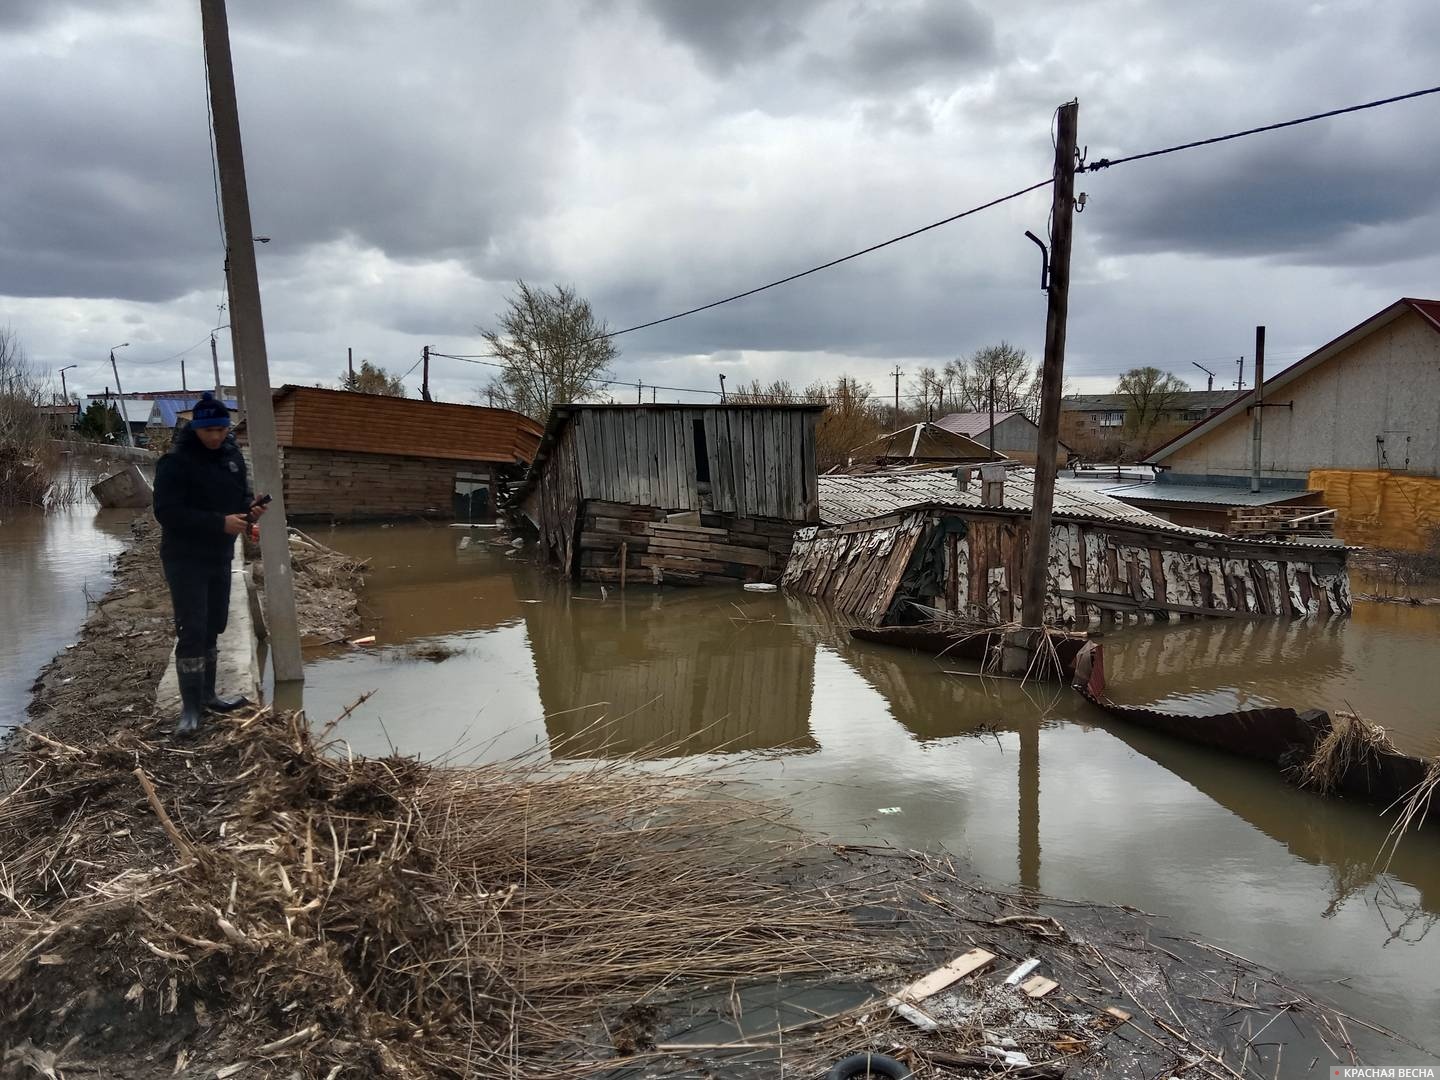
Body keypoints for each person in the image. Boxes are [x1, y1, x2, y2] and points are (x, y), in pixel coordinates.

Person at [152, 393, 267, 735]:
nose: (216, 436)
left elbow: (240, 500)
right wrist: (219, 523)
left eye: (221, 429)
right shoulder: (175, 462)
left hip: (220, 554)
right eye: (209, 430)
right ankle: (189, 710)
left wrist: (252, 509)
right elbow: (167, 513)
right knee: (193, 629)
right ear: (197, 428)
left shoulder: (231, 457)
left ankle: (209, 695)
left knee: (215, 624)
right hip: (185, 557)